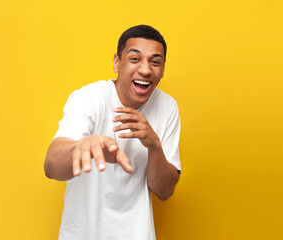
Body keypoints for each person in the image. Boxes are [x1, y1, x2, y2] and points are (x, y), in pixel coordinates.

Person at [44, 25, 181, 240]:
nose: (145, 70)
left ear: (163, 69)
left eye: (155, 62)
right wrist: (79, 148)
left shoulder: (168, 107)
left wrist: (154, 144)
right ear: (117, 62)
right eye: (135, 59)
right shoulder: (89, 98)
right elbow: (51, 167)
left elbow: (164, 191)